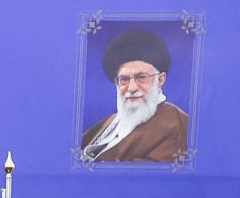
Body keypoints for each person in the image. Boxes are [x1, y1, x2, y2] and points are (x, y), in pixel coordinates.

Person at [81, 29, 189, 163]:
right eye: (124, 79)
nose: (131, 88)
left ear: (160, 80)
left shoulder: (177, 124)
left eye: (141, 77)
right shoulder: (113, 120)